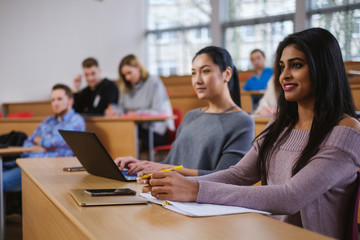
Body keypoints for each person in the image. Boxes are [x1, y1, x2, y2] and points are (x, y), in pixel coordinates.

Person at [143, 28, 360, 239]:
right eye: (282, 66)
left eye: (296, 65)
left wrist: (195, 190)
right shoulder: (279, 125)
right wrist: (174, 184)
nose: (285, 75)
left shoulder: (346, 131)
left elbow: (290, 197)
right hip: (265, 232)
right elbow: (238, 175)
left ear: (322, 68)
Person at [115, 46, 254, 176]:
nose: (197, 80)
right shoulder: (191, 116)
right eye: (193, 73)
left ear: (227, 74)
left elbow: (225, 178)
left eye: (205, 71)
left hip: (200, 199)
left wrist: (168, 169)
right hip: (171, 196)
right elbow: (169, 164)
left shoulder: (242, 121)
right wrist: (138, 164)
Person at [3, 84, 85, 192]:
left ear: (70, 101)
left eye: (59, 99)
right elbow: (28, 142)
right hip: (24, 161)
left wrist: (40, 141)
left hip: (44, 169)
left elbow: (53, 142)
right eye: (53, 100)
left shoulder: (75, 121)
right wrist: (43, 145)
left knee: (2, 180)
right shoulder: (48, 120)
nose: (55, 103)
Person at [105, 54, 175, 151]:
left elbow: (158, 111)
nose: (127, 78)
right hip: (133, 129)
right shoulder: (125, 86)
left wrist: (135, 113)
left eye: (129, 73)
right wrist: (116, 112)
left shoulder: (153, 82)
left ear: (138, 67)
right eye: (124, 75)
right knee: (115, 136)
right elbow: (122, 108)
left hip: (154, 131)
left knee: (131, 141)